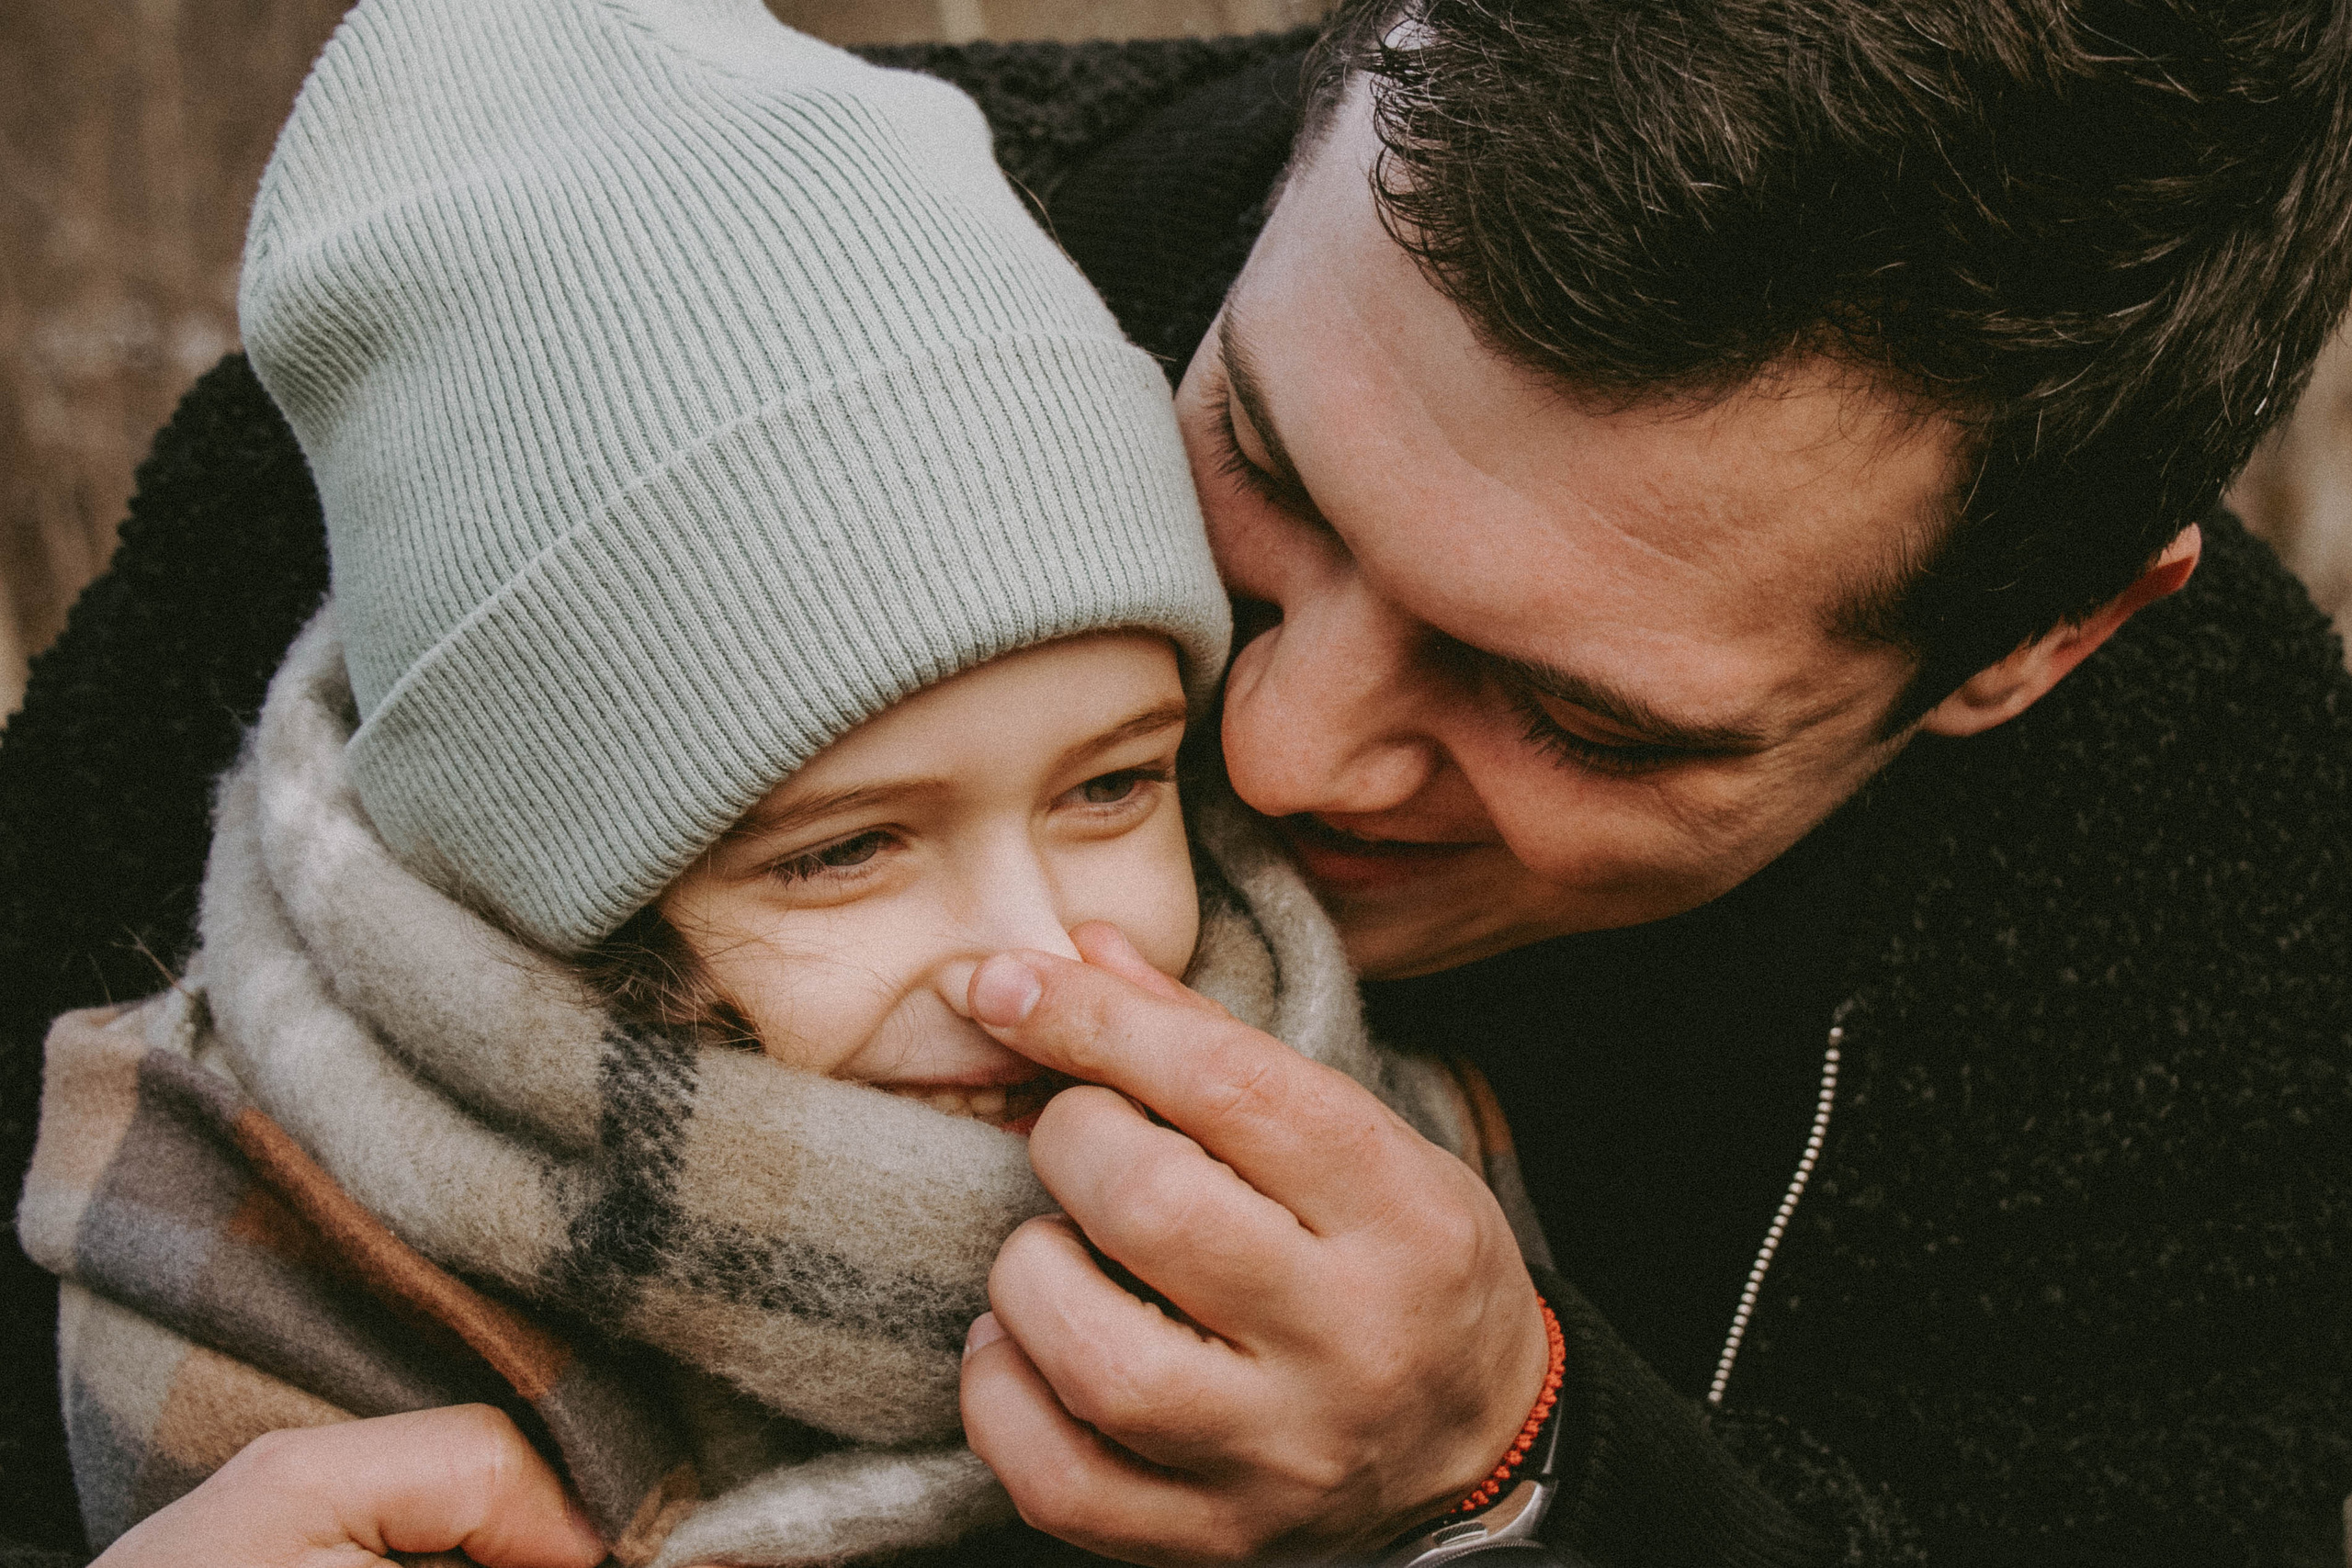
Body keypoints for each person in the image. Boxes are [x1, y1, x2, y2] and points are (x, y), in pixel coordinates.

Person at [3, 1, 2349, 1565]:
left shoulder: (2235, 888)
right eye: (1257, 458)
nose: (1271, 747)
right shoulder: (519, 392)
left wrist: (1529, 1468)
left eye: (1581, 716)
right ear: (1344, 81)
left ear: (2034, 647)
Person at [8, 1, 1536, 1563]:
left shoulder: (1386, 1182)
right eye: (842, 853)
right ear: (533, 883)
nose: (1038, 962)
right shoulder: (260, 1268)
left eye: (1108, 790)